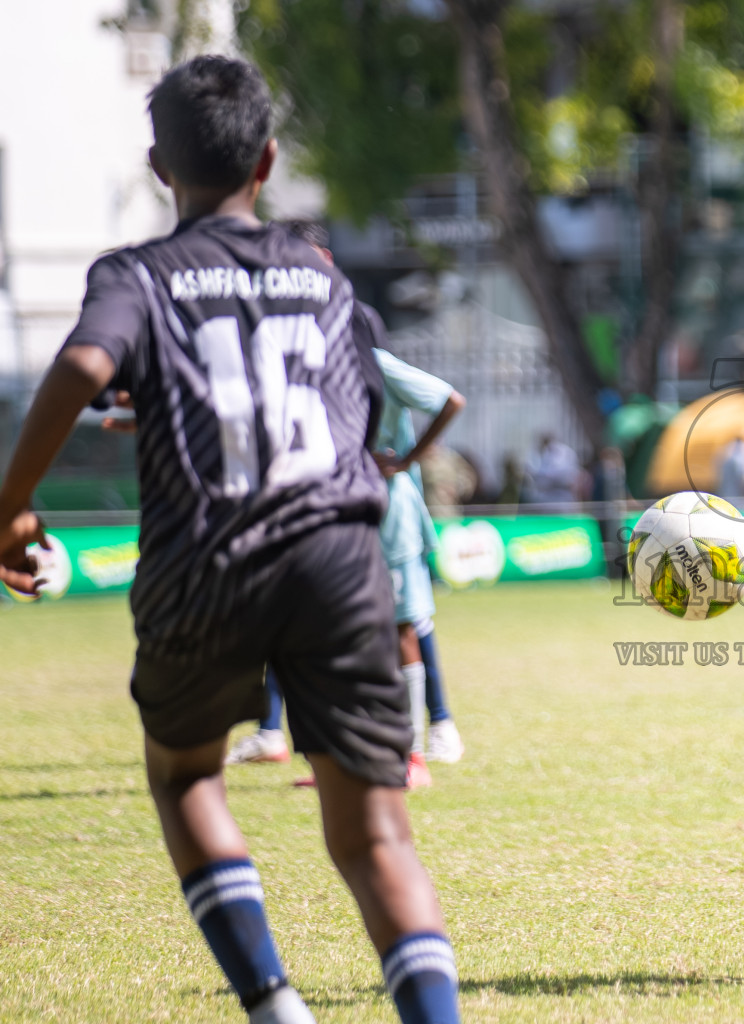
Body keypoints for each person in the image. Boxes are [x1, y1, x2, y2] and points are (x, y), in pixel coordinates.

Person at [0, 58, 458, 1023]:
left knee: (184, 776)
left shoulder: (137, 274)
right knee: (378, 837)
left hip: (206, 556)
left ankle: (272, 1003)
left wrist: (10, 504)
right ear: (269, 157)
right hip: (338, 558)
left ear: (160, 165)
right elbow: (346, 407)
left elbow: (88, 361)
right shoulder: (326, 281)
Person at [226, 220, 467, 776]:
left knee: (402, 627)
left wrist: (407, 460)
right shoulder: (293, 366)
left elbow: (448, 400)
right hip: (328, 512)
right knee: (329, 634)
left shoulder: (371, 353)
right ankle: (338, 752)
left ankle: (415, 748)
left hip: (386, 514)